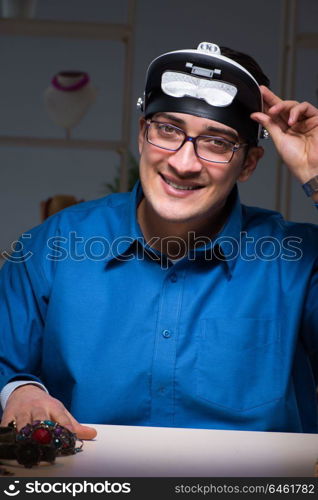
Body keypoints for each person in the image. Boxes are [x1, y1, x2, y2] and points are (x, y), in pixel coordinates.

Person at [0, 42, 317, 440]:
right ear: (141, 135)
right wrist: (20, 391)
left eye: (217, 142)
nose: (183, 163)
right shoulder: (55, 245)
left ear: (248, 163)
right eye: (168, 130)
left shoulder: (297, 261)